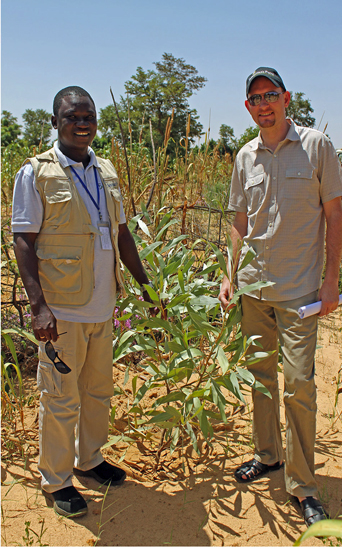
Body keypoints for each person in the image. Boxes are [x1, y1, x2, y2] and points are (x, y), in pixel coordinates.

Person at [12, 86, 155, 518]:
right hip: (63, 311)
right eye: (72, 116)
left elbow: (123, 234)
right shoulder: (35, 173)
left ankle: (88, 459)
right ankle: (56, 481)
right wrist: (39, 307)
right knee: (60, 397)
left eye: (88, 115)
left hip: (101, 308)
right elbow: (23, 240)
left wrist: (145, 286)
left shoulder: (106, 170)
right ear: (55, 123)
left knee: (97, 391)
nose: (82, 122)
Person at [218, 67, 342, 526]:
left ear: (286, 98)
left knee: (298, 385)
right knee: (259, 378)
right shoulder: (245, 157)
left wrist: (331, 281)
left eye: (270, 94)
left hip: (299, 292)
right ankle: (268, 454)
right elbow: (238, 220)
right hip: (253, 288)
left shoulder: (316, 146)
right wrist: (229, 273)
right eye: (255, 98)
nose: (264, 104)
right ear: (248, 107)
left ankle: (304, 486)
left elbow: (335, 215)